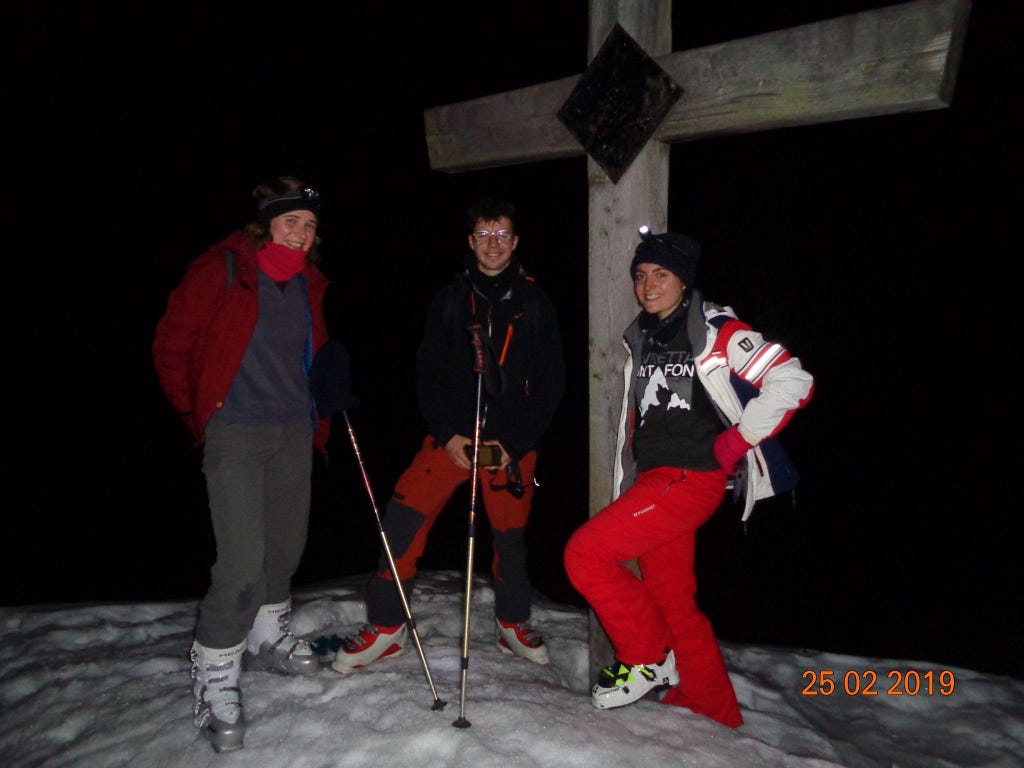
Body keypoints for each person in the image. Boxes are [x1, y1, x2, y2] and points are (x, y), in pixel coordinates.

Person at [563, 227, 814, 728]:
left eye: (661, 274)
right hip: (656, 480)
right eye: (641, 275)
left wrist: (735, 441)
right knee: (673, 597)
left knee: (585, 555)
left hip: (688, 478)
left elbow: (793, 380)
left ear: (683, 280)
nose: (648, 284)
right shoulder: (646, 336)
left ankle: (648, 658)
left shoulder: (718, 331)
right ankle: (711, 704)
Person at [153, 176, 355, 753]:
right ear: (265, 224)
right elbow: (172, 347)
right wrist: (204, 416)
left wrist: (328, 384)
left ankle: (268, 639)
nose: (300, 234)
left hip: (293, 432)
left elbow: (305, 356)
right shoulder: (221, 269)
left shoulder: (309, 284)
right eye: (290, 222)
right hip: (236, 432)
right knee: (241, 564)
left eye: (310, 226)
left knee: (284, 550)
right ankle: (215, 673)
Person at [330, 197, 566, 674]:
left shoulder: (536, 303)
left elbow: (551, 384)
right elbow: (427, 374)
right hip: (451, 442)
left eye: (502, 235)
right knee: (400, 522)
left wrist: (514, 443)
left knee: (511, 539)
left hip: (508, 450)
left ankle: (511, 624)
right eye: (484, 235)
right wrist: (449, 433)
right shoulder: (450, 299)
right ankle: (387, 626)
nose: (493, 244)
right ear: (470, 242)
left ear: (515, 242)